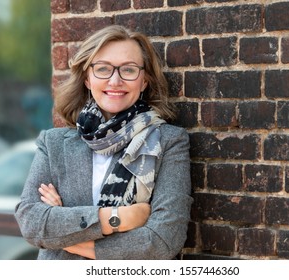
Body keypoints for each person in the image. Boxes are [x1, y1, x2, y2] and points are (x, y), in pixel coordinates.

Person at [14, 25, 193, 260]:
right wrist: (117, 218)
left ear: (144, 81)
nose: (115, 80)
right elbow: (30, 222)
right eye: (102, 69)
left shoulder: (168, 142)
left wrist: (68, 237)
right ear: (87, 79)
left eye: (128, 70)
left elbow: (162, 240)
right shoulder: (53, 143)